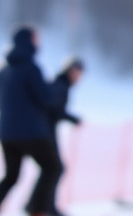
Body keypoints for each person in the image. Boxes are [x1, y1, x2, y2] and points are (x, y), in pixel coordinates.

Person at [0, 26, 61, 216]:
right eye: (37, 39)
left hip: (6, 133)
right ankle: (38, 211)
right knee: (52, 167)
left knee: (11, 176)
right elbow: (45, 98)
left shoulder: (2, 69)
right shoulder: (31, 68)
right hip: (32, 132)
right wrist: (54, 90)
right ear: (31, 41)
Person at [47, 57, 84, 216]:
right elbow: (54, 109)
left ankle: (37, 204)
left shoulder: (62, 84)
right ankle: (47, 206)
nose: (79, 77)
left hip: (47, 130)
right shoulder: (60, 85)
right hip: (45, 131)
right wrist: (72, 118)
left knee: (51, 168)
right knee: (55, 168)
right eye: (78, 72)